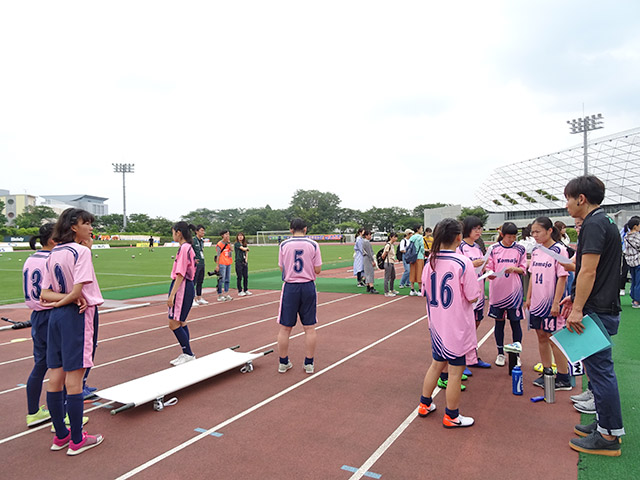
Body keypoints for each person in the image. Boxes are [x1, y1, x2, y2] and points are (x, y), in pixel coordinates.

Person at [560, 175, 624, 456]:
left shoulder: (594, 224)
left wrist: (577, 309)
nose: (567, 205)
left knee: (600, 372)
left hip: (598, 309)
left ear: (581, 199)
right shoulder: (605, 221)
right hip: (601, 304)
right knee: (598, 372)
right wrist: (575, 297)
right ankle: (604, 425)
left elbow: (588, 270)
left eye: (568, 199)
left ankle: (609, 436)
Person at [40, 208, 103, 455]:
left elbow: (44, 293)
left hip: (56, 317)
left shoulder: (54, 252)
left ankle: (61, 436)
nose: (90, 227)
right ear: (73, 226)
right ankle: (77, 439)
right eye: (85, 223)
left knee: (55, 376)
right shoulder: (81, 252)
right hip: (77, 316)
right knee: (75, 378)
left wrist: (60, 301)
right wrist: (69, 299)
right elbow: (78, 293)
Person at [417, 218, 480, 428]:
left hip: (436, 325)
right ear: (459, 238)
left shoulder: (430, 262)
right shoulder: (462, 262)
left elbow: (425, 291)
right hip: (456, 327)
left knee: (436, 364)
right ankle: (452, 415)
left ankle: (424, 404)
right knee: (455, 371)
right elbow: (473, 296)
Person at [525, 217, 571, 391]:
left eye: (537, 232)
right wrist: (528, 298)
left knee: (554, 339)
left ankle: (563, 376)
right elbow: (532, 276)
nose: (534, 235)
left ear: (550, 230)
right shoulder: (536, 250)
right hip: (536, 303)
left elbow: (562, 277)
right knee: (541, 336)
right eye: (533, 232)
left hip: (551, 303)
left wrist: (556, 303)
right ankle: (547, 372)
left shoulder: (559, 250)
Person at [277, 218, 322, 374]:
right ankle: (309, 363)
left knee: (285, 328)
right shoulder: (313, 245)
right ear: (305, 229)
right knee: (309, 327)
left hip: (290, 287)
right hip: (308, 286)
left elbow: (281, 267)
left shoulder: (283, 245)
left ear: (290, 230)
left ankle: (283, 362)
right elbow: (318, 269)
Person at [23, 224, 56, 427]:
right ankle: (61, 417)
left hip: (37, 315)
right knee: (61, 366)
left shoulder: (30, 258)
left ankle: (33, 412)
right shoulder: (52, 259)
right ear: (53, 240)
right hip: (53, 313)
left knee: (41, 364)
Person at [486, 221, 526, 366]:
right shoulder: (493, 248)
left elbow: (524, 269)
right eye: (509, 237)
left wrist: (514, 269)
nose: (512, 239)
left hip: (514, 293)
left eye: (514, 236)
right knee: (499, 323)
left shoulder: (520, 249)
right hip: (497, 293)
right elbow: (489, 268)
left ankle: (516, 354)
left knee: (515, 324)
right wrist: (490, 274)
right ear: (502, 235)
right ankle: (500, 354)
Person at [457, 216, 491, 369]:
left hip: (478, 290)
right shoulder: (461, 247)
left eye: (480, 228)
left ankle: (472, 356)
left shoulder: (477, 247)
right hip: (465, 294)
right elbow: (457, 268)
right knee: (465, 326)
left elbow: (481, 267)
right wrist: (472, 264)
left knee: (476, 323)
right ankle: (461, 359)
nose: (479, 231)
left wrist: (485, 268)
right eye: (475, 228)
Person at [167, 222, 197, 366]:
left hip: (182, 286)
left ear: (179, 233)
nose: (172, 235)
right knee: (181, 321)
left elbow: (180, 273)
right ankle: (187, 353)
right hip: (186, 285)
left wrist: (172, 295)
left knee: (173, 322)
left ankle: (188, 353)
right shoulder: (188, 248)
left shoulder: (184, 248)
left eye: (173, 232)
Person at [623, 217, 640, 307]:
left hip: (630, 261)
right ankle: (637, 301)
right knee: (639, 281)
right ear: (635, 226)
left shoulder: (626, 236)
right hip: (638, 260)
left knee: (634, 281)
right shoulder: (637, 236)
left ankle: (634, 298)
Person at [192, 225, 208, 306]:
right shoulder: (193, 240)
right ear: (196, 231)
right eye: (201, 230)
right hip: (195, 264)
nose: (203, 232)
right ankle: (192, 299)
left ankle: (199, 297)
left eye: (203, 231)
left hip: (202, 263)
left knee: (200, 281)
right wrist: (193, 260)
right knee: (194, 281)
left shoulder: (201, 241)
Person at [216, 230, 233, 301]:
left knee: (227, 279)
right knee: (221, 279)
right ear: (222, 235)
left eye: (228, 234)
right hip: (222, 263)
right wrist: (217, 265)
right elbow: (218, 255)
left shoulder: (228, 243)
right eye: (226, 234)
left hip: (228, 262)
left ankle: (226, 293)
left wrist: (229, 243)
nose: (227, 236)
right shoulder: (219, 244)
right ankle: (220, 294)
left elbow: (231, 250)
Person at [409, 225, 426, 296]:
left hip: (412, 257)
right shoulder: (420, 237)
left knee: (412, 272)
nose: (422, 230)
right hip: (419, 256)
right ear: (418, 229)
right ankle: (419, 290)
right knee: (419, 272)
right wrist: (424, 252)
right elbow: (422, 247)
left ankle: (412, 289)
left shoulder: (412, 237)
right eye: (421, 228)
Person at [235, 232, 252, 296]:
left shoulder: (244, 244)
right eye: (239, 236)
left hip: (244, 262)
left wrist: (246, 260)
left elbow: (246, 252)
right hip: (238, 262)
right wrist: (246, 249)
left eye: (241, 236)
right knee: (239, 276)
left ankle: (246, 289)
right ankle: (240, 290)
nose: (240, 237)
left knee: (245, 276)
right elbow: (243, 249)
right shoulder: (237, 244)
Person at [382, 232, 398, 297]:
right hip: (388, 262)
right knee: (387, 278)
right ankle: (386, 292)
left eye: (396, 237)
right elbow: (383, 255)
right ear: (390, 237)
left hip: (391, 262)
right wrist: (387, 257)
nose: (395, 238)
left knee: (393, 276)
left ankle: (391, 289)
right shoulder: (388, 245)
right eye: (394, 237)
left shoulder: (392, 245)